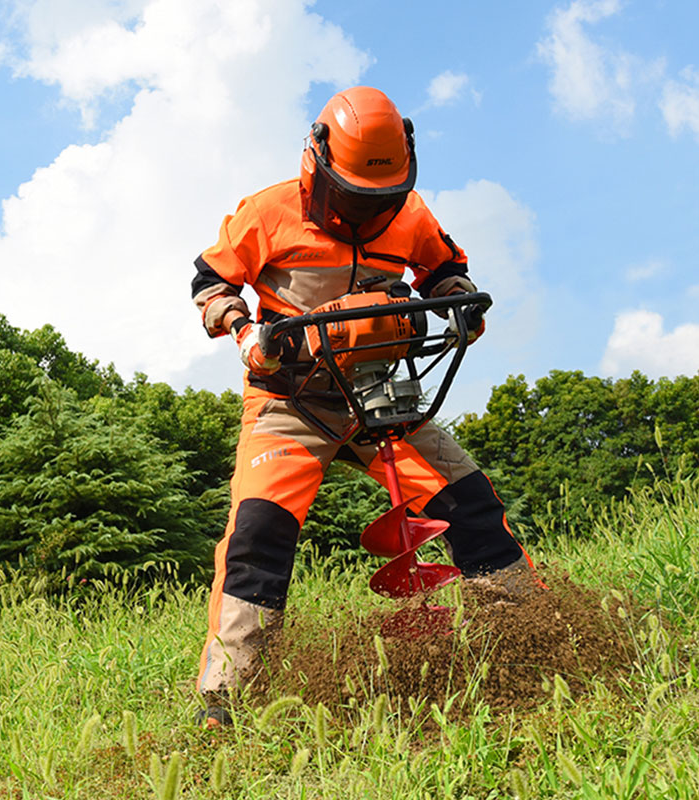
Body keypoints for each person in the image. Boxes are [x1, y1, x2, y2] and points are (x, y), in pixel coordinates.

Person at [191, 86, 536, 727]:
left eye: (380, 200)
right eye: (353, 197)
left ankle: (536, 638)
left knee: (471, 505)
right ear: (316, 166)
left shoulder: (409, 212)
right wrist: (244, 331)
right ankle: (228, 705)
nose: (368, 211)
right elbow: (210, 280)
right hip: (291, 400)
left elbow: (445, 270)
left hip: (382, 394)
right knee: (259, 534)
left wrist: (459, 303)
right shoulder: (266, 212)